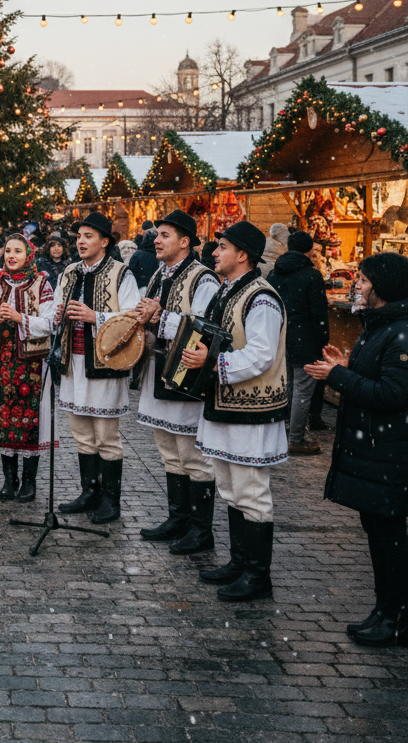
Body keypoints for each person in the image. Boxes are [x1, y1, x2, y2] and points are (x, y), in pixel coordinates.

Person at [306, 252, 408, 647]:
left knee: (389, 536)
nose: (358, 286)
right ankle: (386, 611)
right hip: (376, 451)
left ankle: (395, 616)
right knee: (378, 531)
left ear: (381, 286)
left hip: (390, 452)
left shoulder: (399, 331)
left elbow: (394, 393)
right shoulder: (382, 326)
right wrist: (347, 365)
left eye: (363, 280)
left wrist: (340, 376)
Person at [186, 221, 288, 602]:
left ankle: (257, 576)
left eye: (222, 247)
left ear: (242, 254)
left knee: (251, 490)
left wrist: (211, 364)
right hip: (224, 402)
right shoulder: (229, 291)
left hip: (251, 406)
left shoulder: (261, 297)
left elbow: (260, 354)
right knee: (229, 486)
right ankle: (239, 562)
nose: (215, 252)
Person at [133, 210, 220, 553]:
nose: (156, 239)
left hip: (185, 374)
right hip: (159, 370)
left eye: (165, 235)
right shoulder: (158, 274)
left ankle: (201, 529)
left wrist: (159, 316)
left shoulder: (203, 278)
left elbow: (202, 325)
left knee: (192, 456)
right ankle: (178, 518)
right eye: (157, 234)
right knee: (169, 452)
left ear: (185, 242)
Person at [55, 212, 141, 524]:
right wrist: (57, 315)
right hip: (73, 362)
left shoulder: (121, 274)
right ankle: (89, 492)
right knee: (81, 433)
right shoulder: (69, 272)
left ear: (105, 242)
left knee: (106, 435)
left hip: (105, 362)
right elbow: (56, 305)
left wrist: (96, 317)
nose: (81, 241)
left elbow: (133, 318)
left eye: (88, 236)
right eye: (79, 236)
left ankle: (110, 500)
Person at [0, 234, 56, 503]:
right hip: (0, 360)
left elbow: (49, 322)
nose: (11, 255)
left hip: (30, 361)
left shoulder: (42, 284)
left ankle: (29, 481)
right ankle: (9, 480)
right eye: (8, 251)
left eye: (17, 251)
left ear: (28, 255)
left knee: (30, 419)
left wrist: (21, 318)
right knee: (3, 418)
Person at [267, 230, 329, 456]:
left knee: (288, 386)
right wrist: (323, 338)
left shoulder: (275, 273)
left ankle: (283, 432)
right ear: (309, 249)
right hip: (305, 339)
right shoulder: (311, 275)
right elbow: (319, 312)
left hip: (281, 337)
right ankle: (295, 438)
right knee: (302, 389)